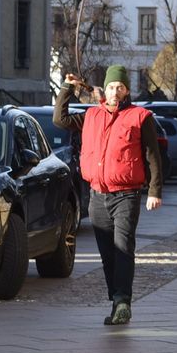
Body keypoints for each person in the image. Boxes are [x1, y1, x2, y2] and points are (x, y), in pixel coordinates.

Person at [53, 65, 163, 326]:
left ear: (126, 91)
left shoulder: (140, 117)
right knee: (107, 252)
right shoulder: (91, 116)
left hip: (127, 195)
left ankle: (123, 300)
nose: (116, 92)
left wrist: (155, 190)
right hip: (97, 195)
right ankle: (116, 299)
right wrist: (67, 88)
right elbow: (60, 119)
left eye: (120, 88)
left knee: (123, 246)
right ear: (107, 89)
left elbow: (152, 155)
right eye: (112, 87)